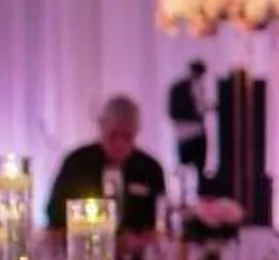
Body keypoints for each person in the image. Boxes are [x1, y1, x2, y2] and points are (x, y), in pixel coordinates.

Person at [47, 95, 166, 235]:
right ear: (101, 128)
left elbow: (158, 222)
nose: (119, 144)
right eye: (113, 135)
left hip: (137, 253)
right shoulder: (76, 163)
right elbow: (54, 214)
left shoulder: (150, 168)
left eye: (127, 137)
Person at [166, 59, 212, 190]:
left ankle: (184, 191)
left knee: (184, 166)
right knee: (198, 166)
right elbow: (199, 108)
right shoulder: (194, 87)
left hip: (182, 132)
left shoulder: (177, 87)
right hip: (194, 131)